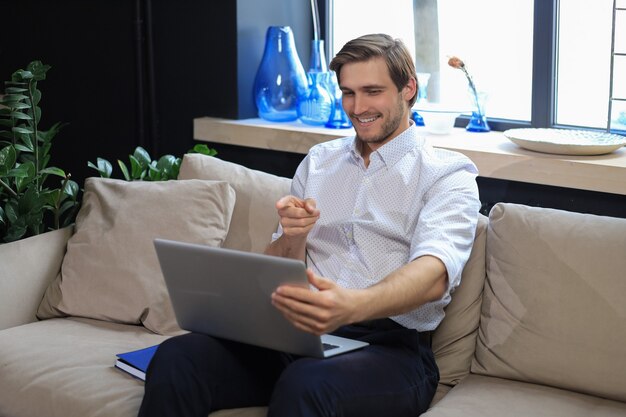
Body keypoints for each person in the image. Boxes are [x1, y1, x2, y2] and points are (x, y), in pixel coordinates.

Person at [138, 33, 480, 417]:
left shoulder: (448, 175)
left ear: (408, 89)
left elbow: (434, 274)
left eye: (372, 91)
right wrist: (293, 237)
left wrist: (350, 306)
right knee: (177, 357)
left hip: (391, 350)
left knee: (307, 384)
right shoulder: (320, 161)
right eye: (348, 93)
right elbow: (280, 270)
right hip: (297, 334)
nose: (358, 107)